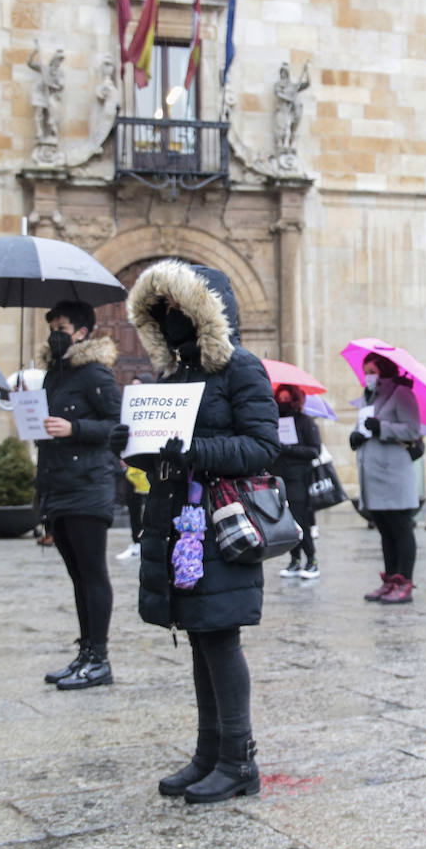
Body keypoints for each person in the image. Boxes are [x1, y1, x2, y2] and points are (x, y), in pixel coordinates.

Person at [124, 258, 280, 804]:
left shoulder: (242, 369)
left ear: (204, 310)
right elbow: (166, 454)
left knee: (220, 636)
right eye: (160, 312)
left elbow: (264, 447)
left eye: (177, 308)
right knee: (198, 634)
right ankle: (208, 753)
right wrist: (141, 447)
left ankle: (239, 761)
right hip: (176, 524)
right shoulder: (173, 377)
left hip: (220, 523)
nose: (170, 319)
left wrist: (195, 451)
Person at [37, 300, 122, 689]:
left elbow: (118, 424)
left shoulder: (95, 375)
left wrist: (75, 430)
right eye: (52, 324)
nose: (55, 331)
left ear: (82, 332)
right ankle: (84, 652)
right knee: (76, 575)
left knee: (92, 573)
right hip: (60, 484)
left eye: (62, 325)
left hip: (89, 483)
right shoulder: (52, 377)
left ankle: (99, 658)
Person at [351, 353, 422, 604]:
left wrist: (382, 428)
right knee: (384, 530)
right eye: (365, 371)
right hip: (373, 475)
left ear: (384, 370)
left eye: (372, 370)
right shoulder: (369, 397)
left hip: (394, 474)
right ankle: (390, 580)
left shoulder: (401, 393)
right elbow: (365, 425)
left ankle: (405, 583)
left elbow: (413, 428)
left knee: (401, 528)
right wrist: (357, 435)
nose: (367, 376)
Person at [271, 383, 322, 579]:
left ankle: (312, 559)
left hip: (299, 478)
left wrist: (290, 449)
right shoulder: (274, 422)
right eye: (280, 399)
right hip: (279, 477)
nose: (283, 403)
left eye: (287, 400)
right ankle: (295, 560)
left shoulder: (305, 422)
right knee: (287, 521)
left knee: (300, 520)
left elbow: (314, 450)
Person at [115, 375, 149, 562]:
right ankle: (136, 541)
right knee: (134, 506)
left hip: (148, 468)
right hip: (132, 468)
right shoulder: (128, 409)